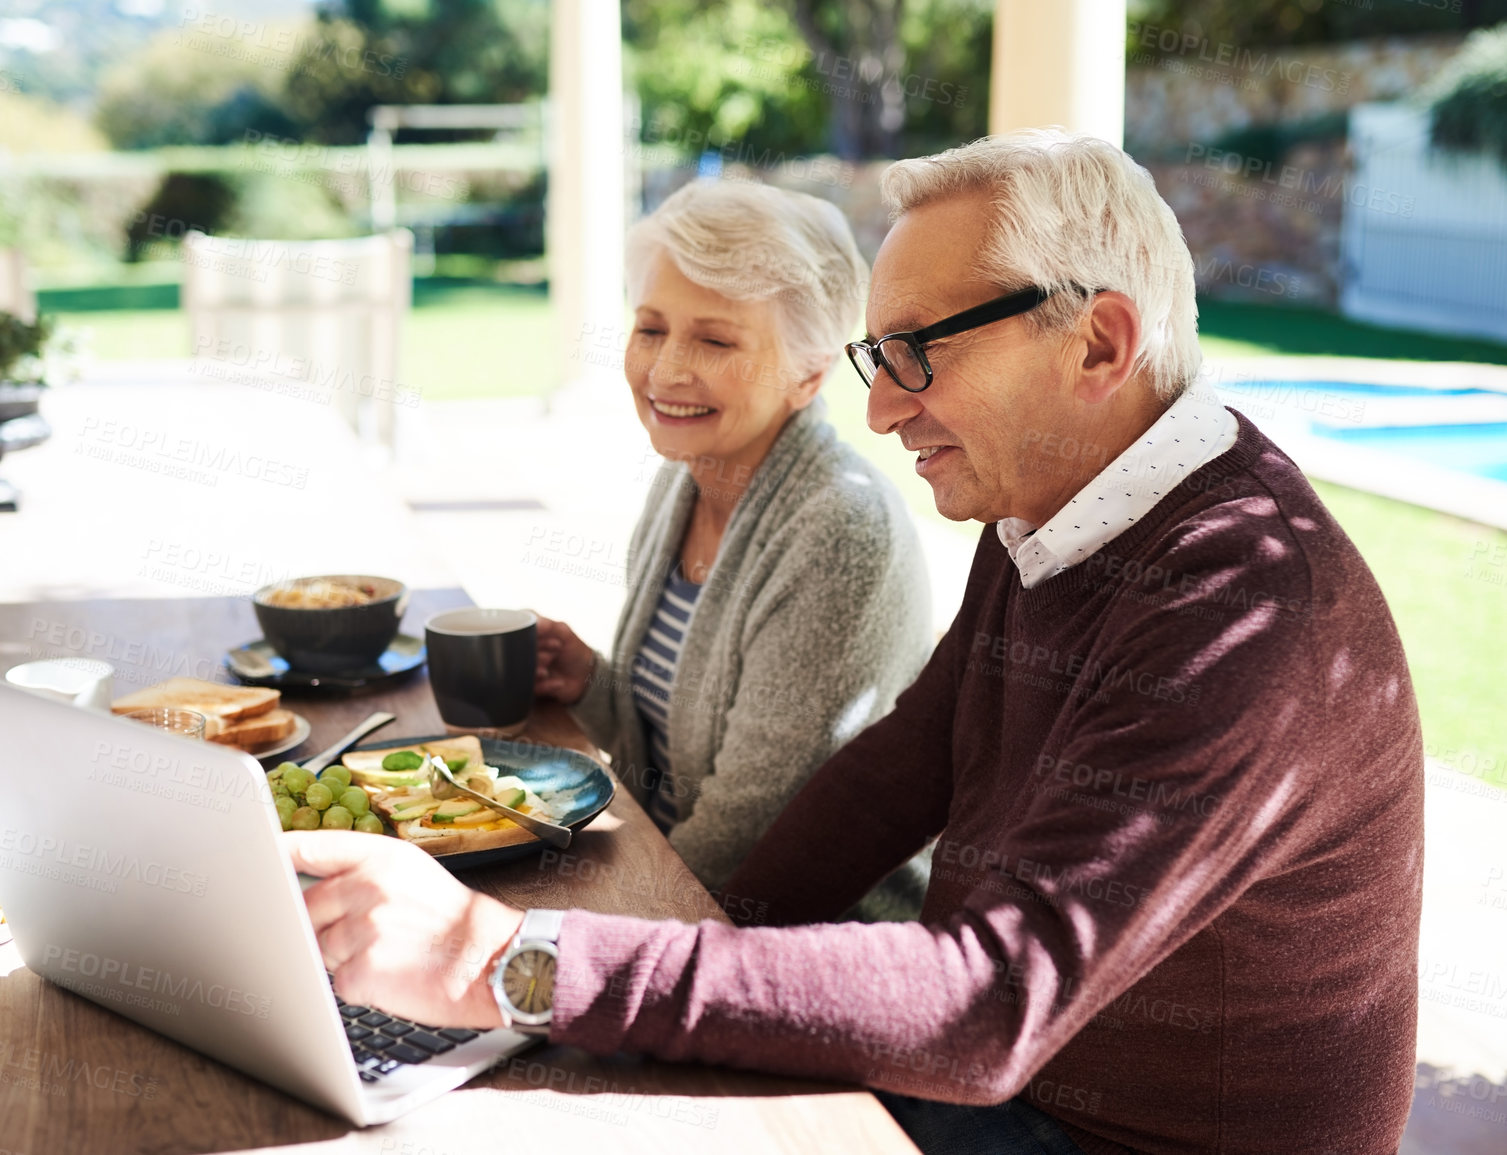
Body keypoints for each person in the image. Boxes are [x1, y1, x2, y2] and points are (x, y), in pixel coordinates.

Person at [288, 131, 1423, 1155]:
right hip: (1013, 1092)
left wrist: (505, 961)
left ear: (1099, 344)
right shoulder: (1056, 502)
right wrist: (637, 959)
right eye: (879, 358)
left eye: (919, 352)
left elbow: (989, 1003)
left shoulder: (1246, 605)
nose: (880, 412)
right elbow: (898, 769)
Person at [531, 179, 934, 917]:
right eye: (650, 328)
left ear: (809, 374)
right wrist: (591, 681)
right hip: (678, 902)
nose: (664, 370)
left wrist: (548, 925)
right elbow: (674, 758)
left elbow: (745, 836)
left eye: (714, 340)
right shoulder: (685, 478)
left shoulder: (838, 528)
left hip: (800, 950)